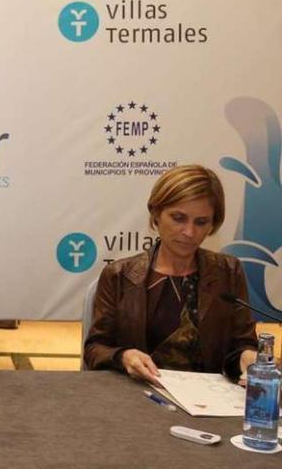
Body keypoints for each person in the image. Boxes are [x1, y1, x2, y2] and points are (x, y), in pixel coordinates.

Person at [84, 165, 257, 385]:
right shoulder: (119, 275)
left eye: (201, 222)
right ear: (156, 214)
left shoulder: (228, 271)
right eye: (178, 218)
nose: (189, 232)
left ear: (213, 224)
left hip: (209, 405)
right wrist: (124, 357)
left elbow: (243, 344)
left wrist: (248, 357)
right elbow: (94, 349)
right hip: (137, 399)